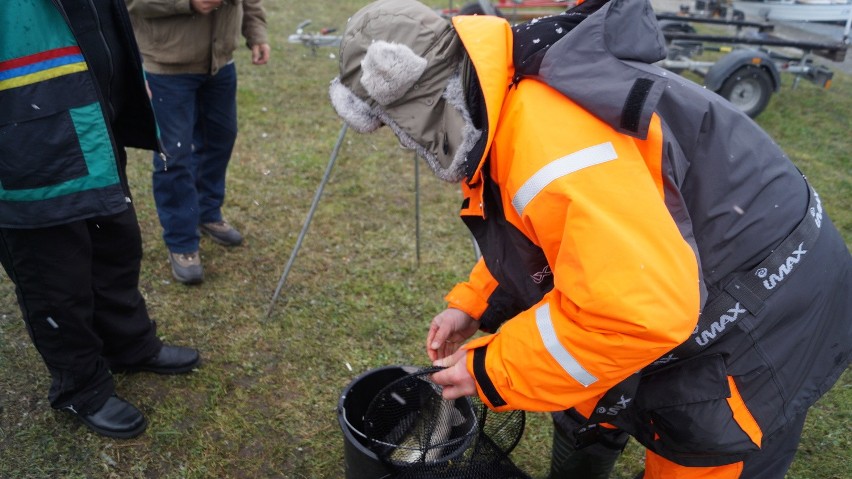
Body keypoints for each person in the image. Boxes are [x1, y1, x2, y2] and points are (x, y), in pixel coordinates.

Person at [328, 0, 852, 478]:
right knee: (589, 388)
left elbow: (637, 312)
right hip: (689, 275)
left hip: (763, 313)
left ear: (423, 105)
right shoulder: (507, 97)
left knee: (700, 448)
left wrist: (492, 368)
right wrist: (474, 304)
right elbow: (551, 238)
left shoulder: (549, 145)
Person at [0, 0, 201, 439]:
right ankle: (82, 387)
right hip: (23, 144)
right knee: (54, 280)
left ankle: (129, 345)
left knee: (116, 247)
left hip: (92, 120)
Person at [125, 0, 270, 284]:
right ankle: (181, 241)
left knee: (220, 139)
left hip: (220, 63)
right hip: (166, 66)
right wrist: (187, 3)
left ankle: (207, 212)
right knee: (174, 154)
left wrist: (256, 33)